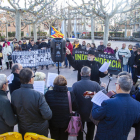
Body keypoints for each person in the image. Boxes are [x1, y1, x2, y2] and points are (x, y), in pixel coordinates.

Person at [91, 72, 140, 140]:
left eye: (116, 83)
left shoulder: (109, 103)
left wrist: (95, 100)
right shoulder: (137, 105)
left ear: (118, 86)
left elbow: (95, 115)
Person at [11, 68, 52, 137]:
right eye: (33, 76)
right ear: (30, 79)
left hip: (23, 130)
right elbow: (48, 115)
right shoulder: (38, 95)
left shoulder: (14, 94)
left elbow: (14, 112)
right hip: (39, 132)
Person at [71, 66, 105, 140]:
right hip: (91, 112)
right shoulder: (95, 84)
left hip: (79, 112)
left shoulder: (75, 85)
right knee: (91, 131)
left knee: (79, 131)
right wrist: (103, 88)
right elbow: (101, 97)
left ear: (81, 74)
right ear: (90, 74)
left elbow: (72, 99)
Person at [45, 75, 78, 140]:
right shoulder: (70, 94)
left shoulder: (48, 94)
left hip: (52, 122)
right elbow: (75, 108)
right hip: (66, 123)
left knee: (54, 137)